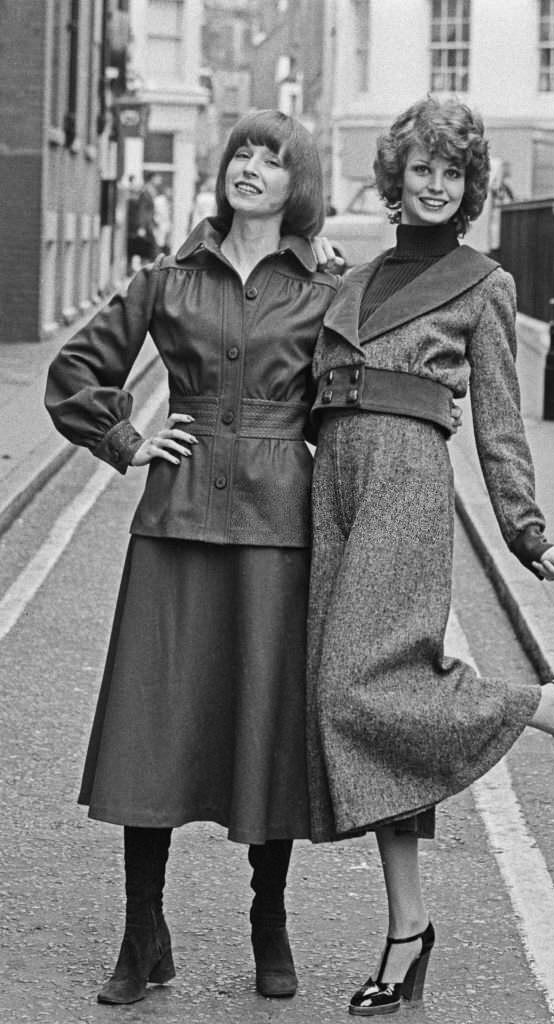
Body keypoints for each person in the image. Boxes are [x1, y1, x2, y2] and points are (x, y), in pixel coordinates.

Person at [304, 97, 554, 1016]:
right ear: (398, 178)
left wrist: (526, 533)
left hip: (407, 486)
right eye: (423, 169)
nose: (438, 183)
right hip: (335, 489)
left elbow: (499, 423)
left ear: (470, 185)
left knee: (358, 689)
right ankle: (408, 933)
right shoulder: (349, 281)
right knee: (360, 721)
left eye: (454, 171)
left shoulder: (483, 283)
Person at [44, 110, 340, 1006]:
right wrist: (126, 440)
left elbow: (362, 400)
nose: (250, 168)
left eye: (272, 159)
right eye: (240, 154)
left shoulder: (327, 290)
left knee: (268, 727)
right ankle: (143, 933)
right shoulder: (167, 279)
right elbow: (75, 372)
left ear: (300, 183)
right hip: (174, 525)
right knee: (153, 728)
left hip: (279, 529)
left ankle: (269, 920)